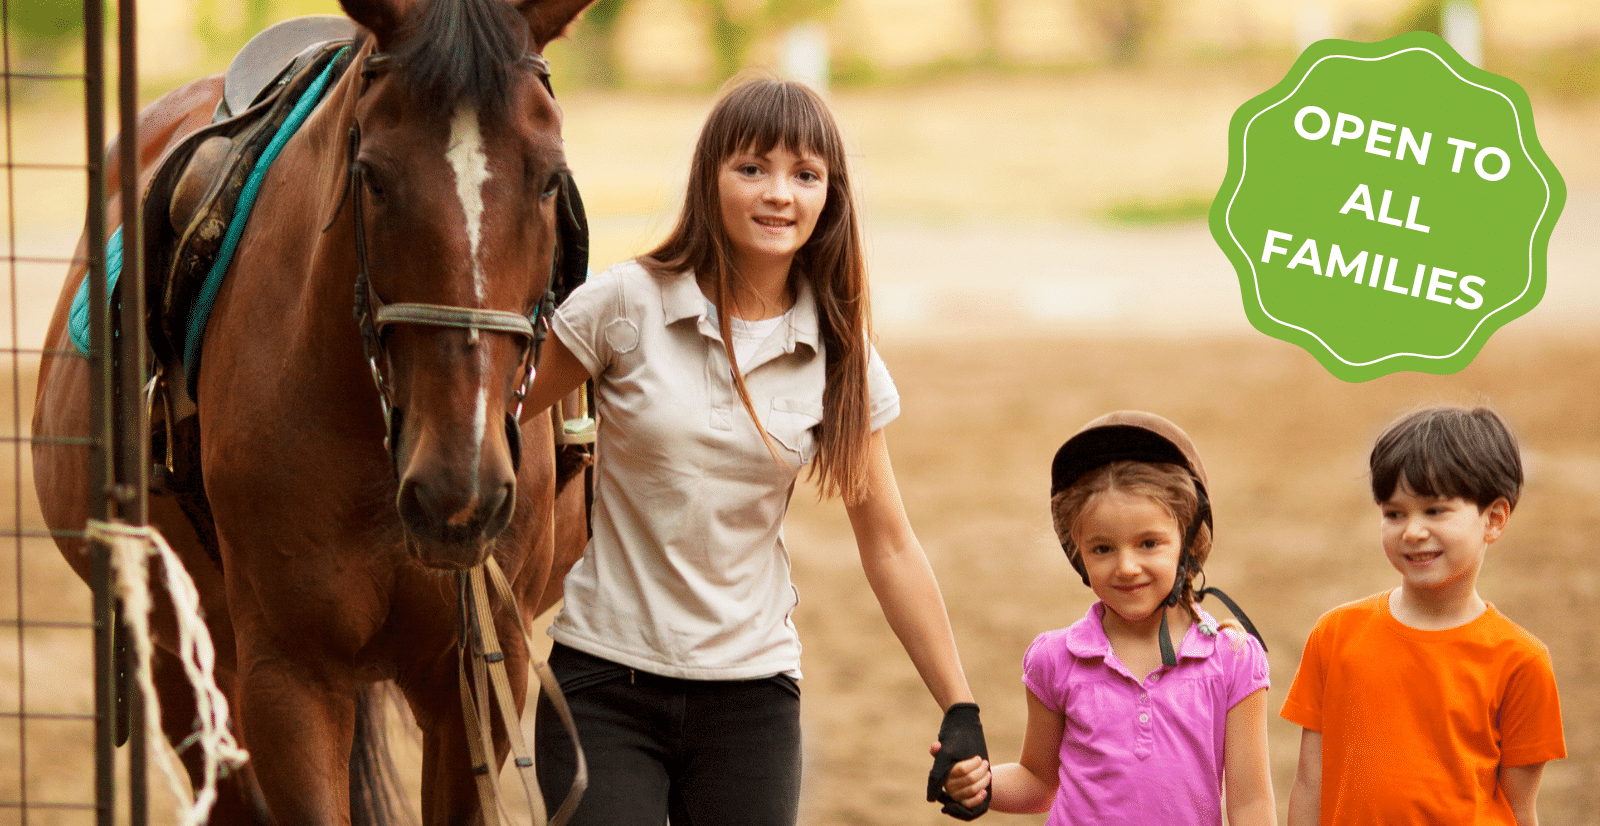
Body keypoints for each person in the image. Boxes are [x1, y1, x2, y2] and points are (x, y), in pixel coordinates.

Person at [523, 75, 986, 825]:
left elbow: (890, 544)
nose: (780, 194)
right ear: (710, 179)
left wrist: (958, 704)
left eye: (805, 175)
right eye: (752, 169)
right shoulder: (622, 304)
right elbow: (502, 421)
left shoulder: (840, 355)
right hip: (602, 683)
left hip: (752, 698)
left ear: (829, 196)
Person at [939, 410, 1275, 826]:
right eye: (1102, 549)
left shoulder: (1233, 659)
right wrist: (980, 784)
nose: (1127, 566)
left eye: (1149, 543)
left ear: (1188, 541)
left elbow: (1250, 804)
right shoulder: (1056, 658)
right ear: (1077, 553)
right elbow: (1038, 782)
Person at [1281, 405, 1566, 826]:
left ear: (1494, 518)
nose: (1412, 531)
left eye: (1435, 510)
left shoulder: (1521, 660)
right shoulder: (1336, 633)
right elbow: (1309, 783)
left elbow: (1518, 807)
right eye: (1394, 513)